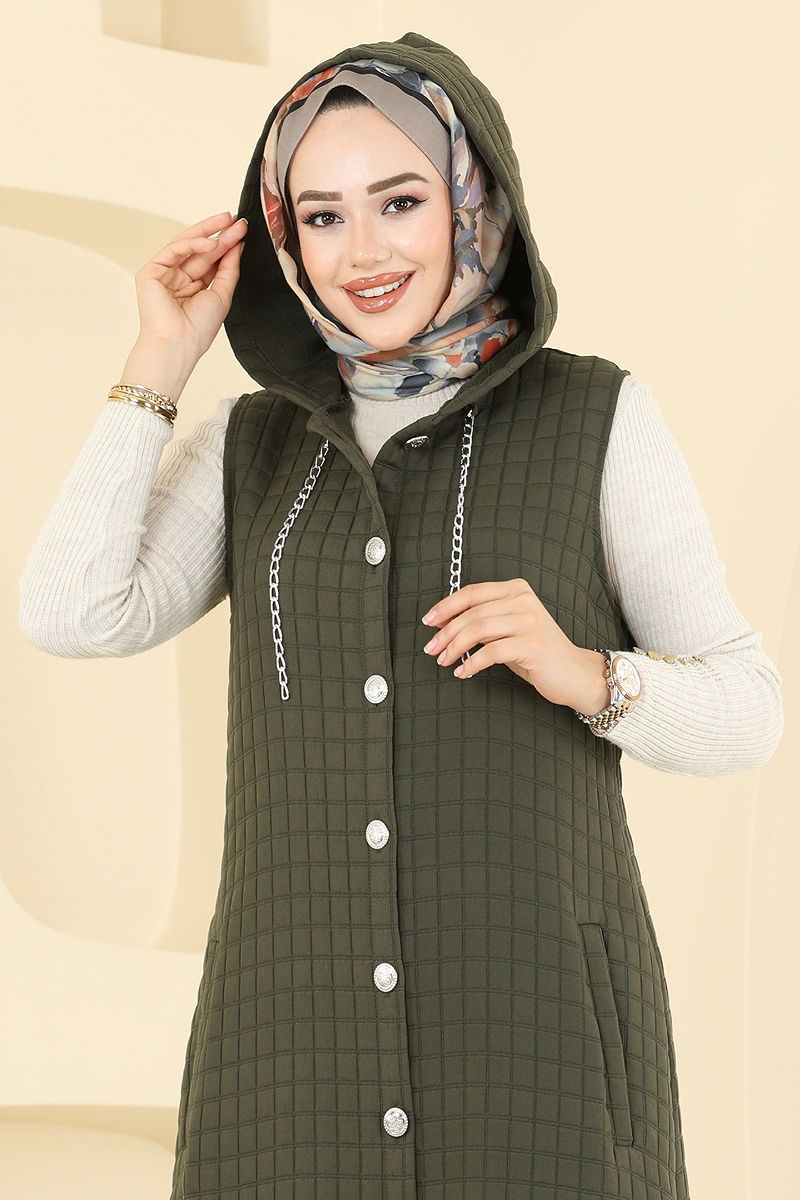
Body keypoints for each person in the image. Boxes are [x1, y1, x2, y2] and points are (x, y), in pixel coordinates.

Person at [17, 29, 782, 1200]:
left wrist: (587, 674)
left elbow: (746, 711)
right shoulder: (252, 444)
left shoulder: (595, 417)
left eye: (399, 201)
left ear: (475, 200)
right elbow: (74, 613)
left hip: (537, 1059)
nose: (362, 252)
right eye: (321, 216)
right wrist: (159, 360)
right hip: (290, 1068)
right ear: (282, 236)